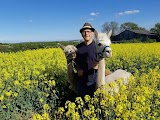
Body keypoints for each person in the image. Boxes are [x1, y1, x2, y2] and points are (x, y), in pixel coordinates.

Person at [75, 22, 99, 98]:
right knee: (81, 102)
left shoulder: (98, 46)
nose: (86, 33)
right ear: (82, 34)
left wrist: (98, 66)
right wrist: (78, 69)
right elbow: (75, 62)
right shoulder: (78, 47)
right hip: (81, 81)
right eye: (84, 32)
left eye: (88, 31)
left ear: (92, 33)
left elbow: (103, 60)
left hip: (95, 80)